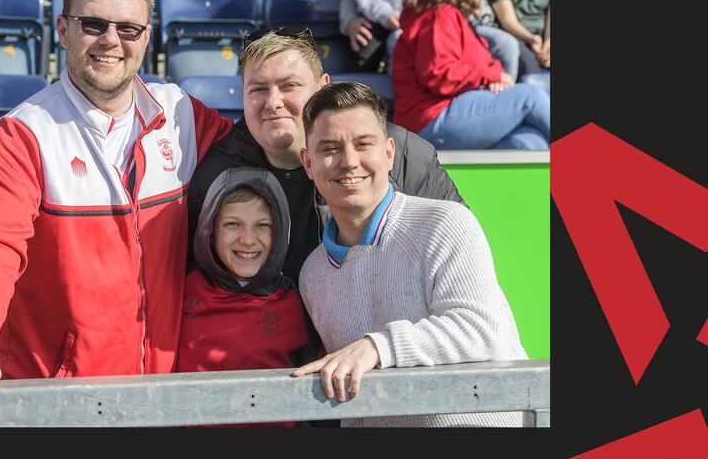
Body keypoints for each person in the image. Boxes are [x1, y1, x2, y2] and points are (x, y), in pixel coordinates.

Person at [0, 0, 234, 424]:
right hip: (58, 406)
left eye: (128, 28)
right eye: (93, 24)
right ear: (62, 29)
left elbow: (258, 151)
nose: (111, 40)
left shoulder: (179, 111)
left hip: (161, 399)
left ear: (146, 37)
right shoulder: (23, 133)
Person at [292, 81, 529, 427]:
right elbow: (356, 402)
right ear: (308, 163)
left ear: (389, 154)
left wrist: (376, 348)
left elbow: (482, 331)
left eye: (363, 144)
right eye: (330, 148)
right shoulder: (312, 274)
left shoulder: (445, 222)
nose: (349, 161)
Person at [188, 26, 465, 286]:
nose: (273, 102)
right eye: (258, 89)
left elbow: (461, 256)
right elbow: (196, 282)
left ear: (322, 87)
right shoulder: (217, 178)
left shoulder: (404, 154)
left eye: (289, 86)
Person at [178, 167, 312, 427]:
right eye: (233, 224)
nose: (248, 239)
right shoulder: (184, 287)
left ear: (280, 232)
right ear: (210, 230)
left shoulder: (295, 299)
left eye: (263, 225)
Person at [391, 0, 550, 150]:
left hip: (455, 108)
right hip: (430, 117)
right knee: (531, 97)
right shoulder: (437, 16)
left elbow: (484, 61)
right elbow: (438, 74)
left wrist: (494, 76)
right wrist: (487, 76)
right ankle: (593, 162)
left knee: (530, 142)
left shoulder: (451, 15)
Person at [341, 0, 519, 80]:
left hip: (452, 15)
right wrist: (383, 14)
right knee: (396, 43)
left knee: (507, 45)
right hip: (396, 19)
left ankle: (498, 97)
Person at [486, 0, 550, 80]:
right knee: (530, 69)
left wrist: (548, 42)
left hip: (544, 36)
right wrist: (531, 39)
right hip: (517, 37)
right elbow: (508, 21)